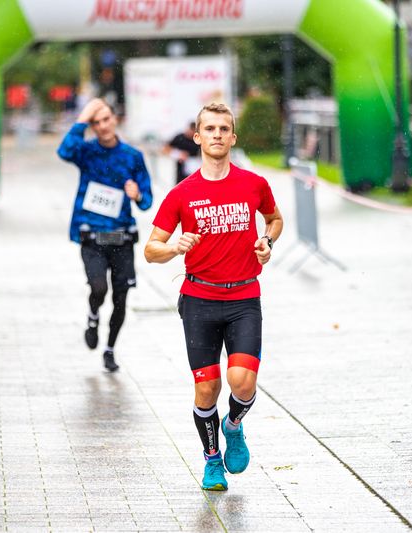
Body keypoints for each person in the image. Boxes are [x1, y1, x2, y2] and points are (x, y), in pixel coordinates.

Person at [144, 103, 283, 491]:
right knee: (207, 388)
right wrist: (174, 247)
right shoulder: (182, 194)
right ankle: (211, 459)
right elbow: (151, 249)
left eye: (224, 128)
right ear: (198, 137)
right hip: (199, 300)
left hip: (244, 298)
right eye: (210, 128)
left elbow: (274, 219)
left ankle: (233, 425)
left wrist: (267, 241)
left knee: (242, 382)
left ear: (233, 137)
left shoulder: (253, 184)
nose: (217, 134)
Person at [58, 97, 153, 371]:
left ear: (115, 119)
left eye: (106, 119)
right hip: (92, 235)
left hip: (122, 236)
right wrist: (82, 118)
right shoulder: (86, 151)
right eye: (96, 122)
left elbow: (147, 200)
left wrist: (138, 195)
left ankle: (110, 349)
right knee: (99, 287)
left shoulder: (132, 156)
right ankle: (92, 315)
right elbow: (64, 151)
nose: (102, 126)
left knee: (121, 297)